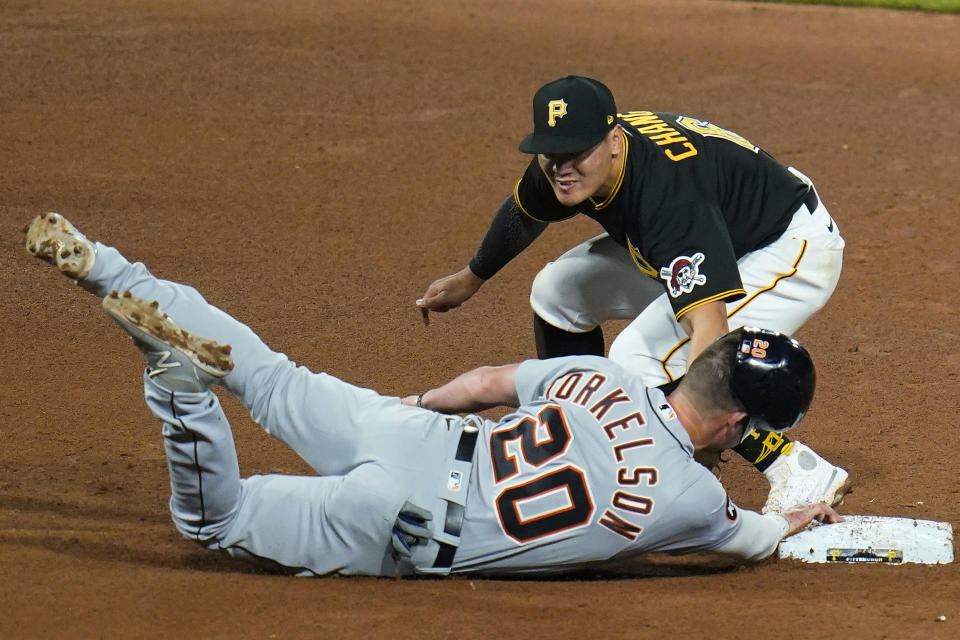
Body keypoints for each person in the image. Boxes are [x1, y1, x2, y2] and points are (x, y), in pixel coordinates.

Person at [24, 212, 842, 577]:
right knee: (217, 521)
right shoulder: (696, 501)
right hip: (407, 525)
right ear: (736, 423)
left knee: (268, 375)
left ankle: (107, 267)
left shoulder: (604, 376)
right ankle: (180, 393)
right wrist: (792, 519)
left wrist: (403, 412)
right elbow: (760, 537)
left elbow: (483, 386)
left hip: (409, 432)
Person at [416, 75, 848, 514]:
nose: (562, 168)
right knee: (557, 291)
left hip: (783, 247)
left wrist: (696, 440)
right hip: (704, 239)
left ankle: (793, 465)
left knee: (639, 359)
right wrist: (471, 277)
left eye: (576, 154)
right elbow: (524, 212)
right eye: (552, 153)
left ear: (615, 141)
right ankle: (581, 436)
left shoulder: (667, 197)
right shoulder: (571, 158)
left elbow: (710, 329)